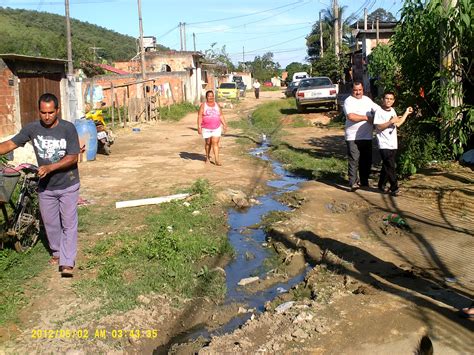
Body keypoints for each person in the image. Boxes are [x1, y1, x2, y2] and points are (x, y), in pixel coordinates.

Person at [0, 93, 80, 277]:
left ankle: (67, 262)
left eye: (51, 112)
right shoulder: (32, 128)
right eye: (43, 112)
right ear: (39, 111)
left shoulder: (68, 129)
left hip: (68, 183)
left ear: (57, 111)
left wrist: (50, 167)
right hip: (46, 186)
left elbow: (73, 157)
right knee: (51, 224)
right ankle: (57, 252)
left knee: (68, 222)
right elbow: (11, 143)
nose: (47, 116)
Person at [374, 92, 413, 196]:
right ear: (383, 99)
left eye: (391, 99)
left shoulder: (392, 110)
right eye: (387, 98)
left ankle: (381, 185)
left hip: (393, 144)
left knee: (387, 166)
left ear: (394, 100)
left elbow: (398, 123)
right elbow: (378, 127)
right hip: (384, 144)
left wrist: (406, 113)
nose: (389, 101)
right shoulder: (379, 112)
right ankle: (394, 188)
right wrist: (390, 122)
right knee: (391, 166)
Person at [343, 82, 380, 191]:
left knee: (366, 160)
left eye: (360, 90)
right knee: (354, 159)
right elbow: (351, 116)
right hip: (353, 137)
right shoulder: (348, 101)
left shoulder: (367, 100)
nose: (358, 92)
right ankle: (353, 182)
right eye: (355, 90)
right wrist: (367, 118)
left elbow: (377, 109)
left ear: (363, 89)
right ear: (352, 90)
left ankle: (364, 181)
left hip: (367, 136)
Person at [197, 90, 227, 166]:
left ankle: (217, 160)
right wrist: (199, 127)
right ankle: (207, 157)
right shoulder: (203, 105)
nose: (211, 97)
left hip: (216, 127)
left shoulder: (217, 105)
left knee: (215, 142)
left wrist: (224, 124)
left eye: (212, 96)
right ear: (206, 97)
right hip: (206, 128)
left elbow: (221, 115)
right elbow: (200, 116)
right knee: (208, 142)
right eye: (209, 96)